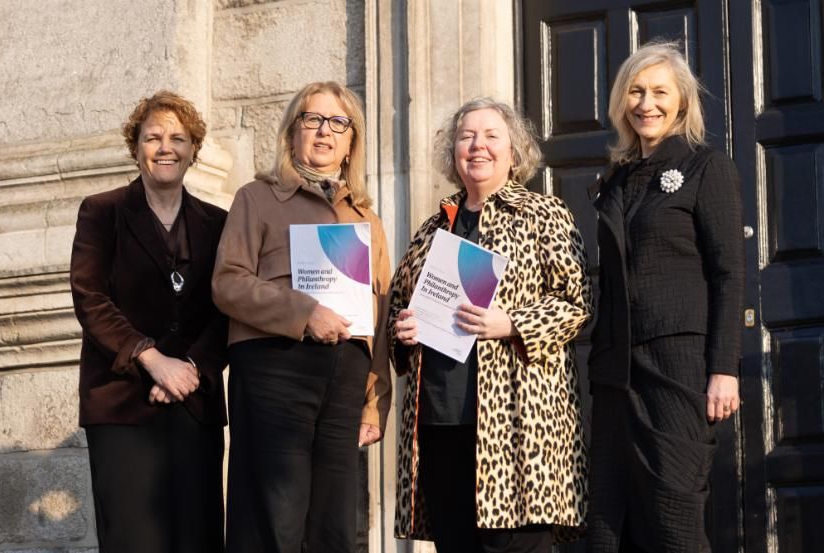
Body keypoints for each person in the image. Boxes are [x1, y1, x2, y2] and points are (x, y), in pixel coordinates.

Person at [389, 98, 593, 552]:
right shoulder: (430, 229)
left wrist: (512, 322)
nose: (477, 145)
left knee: (516, 547)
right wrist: (402, 331)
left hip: (518, 426)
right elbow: (399, 309)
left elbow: (575, 304)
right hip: (440, 422)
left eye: (490, 135)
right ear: (453, 152)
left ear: (514, 152)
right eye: (466, 136)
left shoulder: (546, 215)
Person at [211, 81, 392, 553]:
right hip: (275, 367)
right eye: (312, 120)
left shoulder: (365, 217)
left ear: (351, 141)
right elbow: (227, 282)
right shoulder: (257, 197)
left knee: (333, 524)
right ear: (293, 133)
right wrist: (303, 312)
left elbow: (381, 310)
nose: (324, 132)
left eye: (338, 123)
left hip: (344, 377)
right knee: (274, 518)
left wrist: (374, 402)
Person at [586, 41, 745, 553]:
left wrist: (724, 369)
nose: (645, 103)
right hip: (614, 371)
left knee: (674, 516)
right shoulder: (613, 179)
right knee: (609, 523)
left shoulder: (705, 167)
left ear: (680, 102)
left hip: (677, 365)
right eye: (635, 91)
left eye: (659, 92)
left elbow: (728, 272)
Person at [70, 90, 229, 553]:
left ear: (193, 150)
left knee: (196, 539)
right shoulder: (102, 212)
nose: (166, 147)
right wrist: (152, 359)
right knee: (132, 541)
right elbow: (90, 298)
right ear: (135, 147)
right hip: (122, 406)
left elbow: (227, 306)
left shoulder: (219, 223)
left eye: (178, 138)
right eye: (153, 137)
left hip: (194, 407)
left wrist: (192, 369)